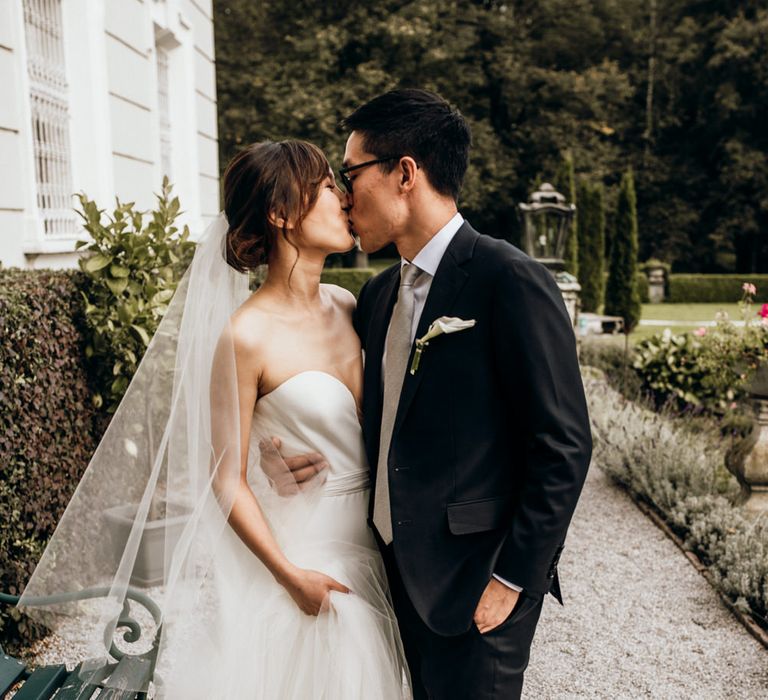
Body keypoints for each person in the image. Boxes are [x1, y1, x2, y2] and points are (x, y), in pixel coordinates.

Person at [19, 140, 409, 699]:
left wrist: (274, 456)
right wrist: (289, 576)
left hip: (377, 545)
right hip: (306, 556)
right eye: (326, 187)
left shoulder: (349, 305)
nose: (343, 197)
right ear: (281, 215)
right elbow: (223, 478)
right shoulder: (244, 337)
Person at [279, 89, 593, 699]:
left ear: (404, 174)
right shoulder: (374, 300)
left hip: (478, 584)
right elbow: (371, 423)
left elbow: (564, 445)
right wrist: (286, 451)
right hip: (389, 583)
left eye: (350, 174)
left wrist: (513, 578)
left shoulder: (509, 279)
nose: (343, 196)